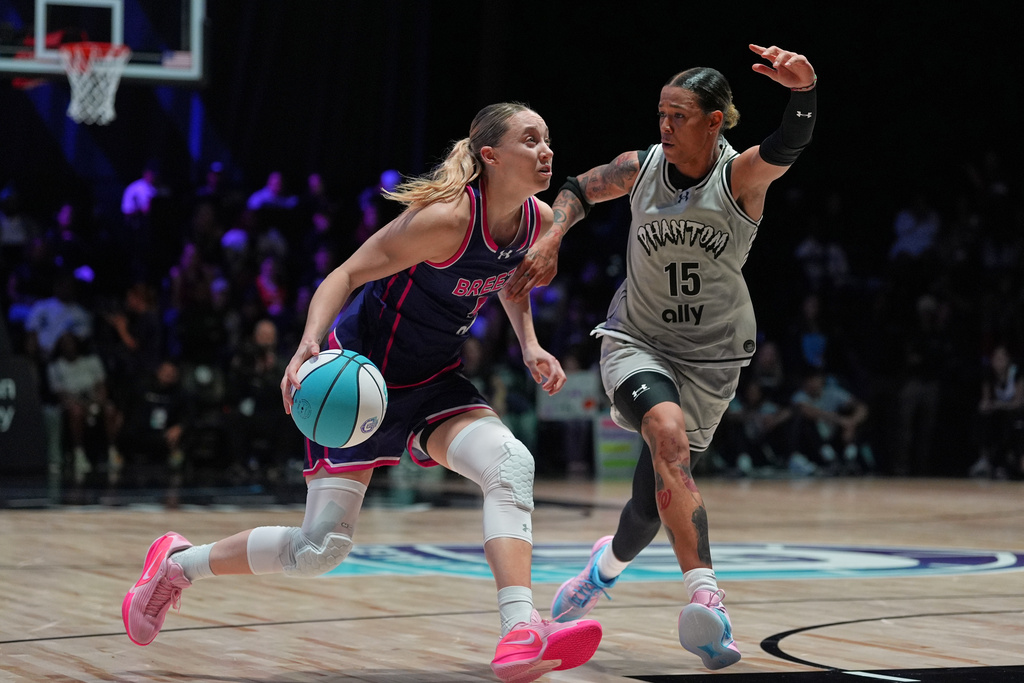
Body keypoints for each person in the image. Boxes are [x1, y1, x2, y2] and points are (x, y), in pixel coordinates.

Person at [121, 103, 602, 683]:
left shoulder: (537, 219)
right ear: (491, 156)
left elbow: (511, 281)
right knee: (318, 551)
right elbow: (343, 275)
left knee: (511, 463)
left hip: (432, 379)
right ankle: (177, 567)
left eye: (548, 139)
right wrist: (306, 345)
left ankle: (520, 629)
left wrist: (529, 344)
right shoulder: (445, 218)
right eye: (531, 140)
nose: (546, 150)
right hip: (361, 379)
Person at [505, 44, 818, 670]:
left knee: (651, 503)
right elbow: (577, 189)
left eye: (679, 116)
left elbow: (787, 145)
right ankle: (709, 598)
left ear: (714, 121)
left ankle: (603, 571)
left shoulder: (739, 177)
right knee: (666, 437)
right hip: (637, 340)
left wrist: (803, 93)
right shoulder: (640, 167)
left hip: (712, 358)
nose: (665, 127)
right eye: (661, 114)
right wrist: (551, 235)